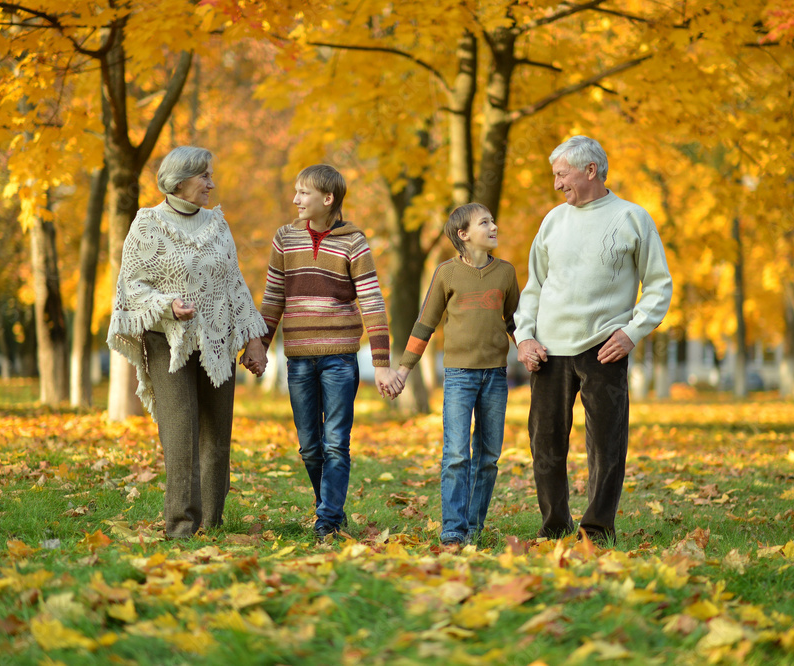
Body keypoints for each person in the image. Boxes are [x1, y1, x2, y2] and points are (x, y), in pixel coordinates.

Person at [514, 135, 673, 544]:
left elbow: (658, 286)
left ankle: (597, 530)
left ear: (590, 170)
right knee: (545, 444)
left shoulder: (633, 218)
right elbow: (534, 286)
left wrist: (632, 331)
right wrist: (525, 337)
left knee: (606, 446)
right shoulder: (552, 221)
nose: (556, 184)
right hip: (549, 352)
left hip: (604, 348)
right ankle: (554, 525)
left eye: (561, 174)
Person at [108, 146, 269, 540]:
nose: (211, 184)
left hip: (217, 338)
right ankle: (181, 526)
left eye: (211, 177)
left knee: (217, 435)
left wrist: (254, 339)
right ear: (180, 181)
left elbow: (234, 284)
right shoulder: (147, 224)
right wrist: (166, 305)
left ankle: (211, 524)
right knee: (181, 433)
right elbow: (132, 286)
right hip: (167, 341)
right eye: (205, 178)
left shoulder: (217, 224)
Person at [259, 164, 398, 540]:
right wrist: (260, 346)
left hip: (340, 358)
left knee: (336, 442)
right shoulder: (284, 238)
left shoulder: (354, 241)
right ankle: (330, 508)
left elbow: (372, 301)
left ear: (327, 198)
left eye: (303, 193)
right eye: (295, 192)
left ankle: (328, 520)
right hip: (299, 357)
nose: (295, 200)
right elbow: (273, 297)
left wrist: (381, 364)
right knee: (309, 445)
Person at [391, 203, 519, 546]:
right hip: (460, 376)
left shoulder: (506, 273)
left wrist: (528, 347)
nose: (493, 226)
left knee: (489, 456)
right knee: (457, 455)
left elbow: (514, 321)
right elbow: (426, 323)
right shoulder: (446, 273)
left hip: (495, 376)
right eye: (484, 223)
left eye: (493, 220)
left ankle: (474, 525)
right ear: (463, 235)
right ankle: (453, 527)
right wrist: (403, 370)